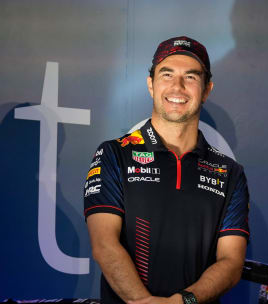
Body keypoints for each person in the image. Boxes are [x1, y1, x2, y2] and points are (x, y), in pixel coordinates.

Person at [84, 36, 250, 304]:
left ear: (207, 89)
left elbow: (231, 262)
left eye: (191, 77)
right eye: (167, 74)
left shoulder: (230, 172)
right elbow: (104, 245)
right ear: (151, 84)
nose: (178, 87)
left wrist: (181, 302)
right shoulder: (114, 154)